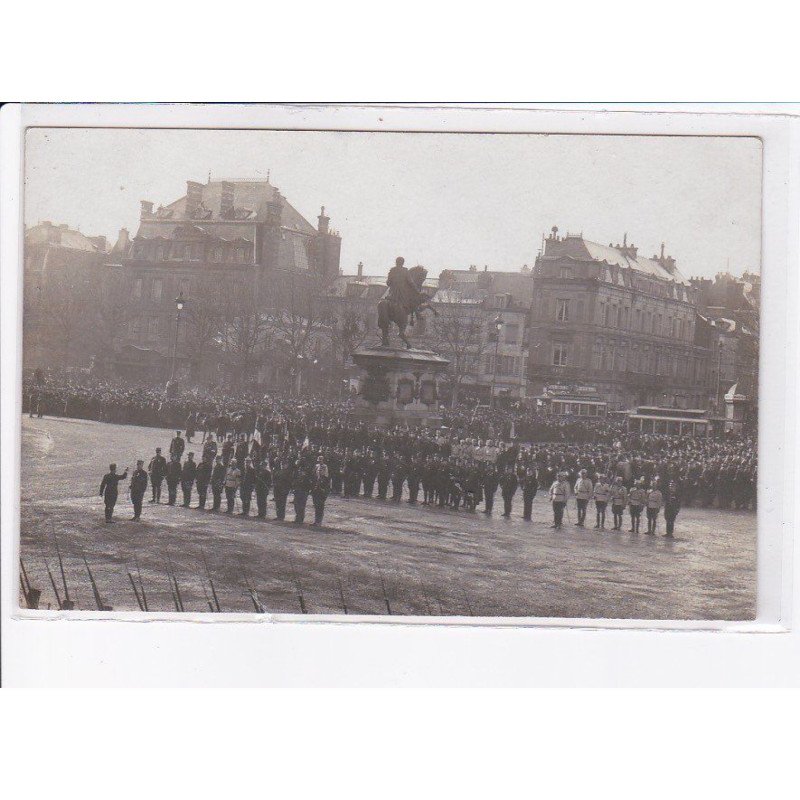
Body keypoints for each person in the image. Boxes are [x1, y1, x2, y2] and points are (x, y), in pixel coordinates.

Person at [311, 455, 331, 526]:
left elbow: (327, 483)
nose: (320, 461)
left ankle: (319, 521)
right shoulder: (316, 466)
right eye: (319, 459)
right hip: (315, 490)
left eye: (321, 460)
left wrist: (324, 491)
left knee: (320, 506)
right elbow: (314, 474)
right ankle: (316, 520)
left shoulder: (325, 468)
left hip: (321, 491)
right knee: (316, 505)